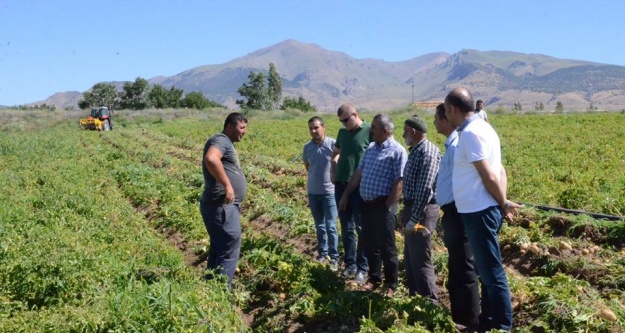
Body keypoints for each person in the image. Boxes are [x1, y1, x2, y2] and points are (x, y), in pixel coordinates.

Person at [444, 88, 522, 331]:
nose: (446, 116)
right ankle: (487, 323)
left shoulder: (470, 133)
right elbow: (501, 170)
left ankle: (501, 326)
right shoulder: (485, 128)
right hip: (480, 209)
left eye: (446, 111)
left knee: (492, 274)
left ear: (454, 109)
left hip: (479, 211)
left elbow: (489, 174)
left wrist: (503, 202)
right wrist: (503, 200)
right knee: (486, 272)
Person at [339, 114, 407, 298]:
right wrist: (346, 194)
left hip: (382, 205)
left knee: (387, 246)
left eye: (374, 128)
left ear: (385, 131)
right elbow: (359, 173)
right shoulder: (371, 148)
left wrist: (386, 207)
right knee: (369, 243)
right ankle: (374, 278)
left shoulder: (397, 151)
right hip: (366, 204)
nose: (371, 131)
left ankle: (391, 283)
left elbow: (399, 182)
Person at [433, 103, 480, 329]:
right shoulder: (451, 144)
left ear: (446, 120)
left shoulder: (456, 144)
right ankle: (459, 316)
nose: (434, 122)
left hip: (458, 211)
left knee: (464, 267)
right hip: (452, 211)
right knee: (457, 266)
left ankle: (469, 320)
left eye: (436, 118)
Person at [199, 112, 248, 289]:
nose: (244, 132)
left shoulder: (225, 142)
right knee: (229, 247)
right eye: (241, 127)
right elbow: (211, 158)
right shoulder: (221, 140)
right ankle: (220, 292)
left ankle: (210, 288)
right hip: (222, 206)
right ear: (229, 127)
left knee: (219, 247)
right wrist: (227, 185)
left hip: (222, 207)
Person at [400, 115, 441, 302]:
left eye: (405, 131)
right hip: (413, 208)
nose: (402, 135)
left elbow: (425, 189)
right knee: (410, 258)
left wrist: (414, 218)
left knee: (420, 259)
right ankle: (415, 298)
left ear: (414, 132)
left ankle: (429, 303)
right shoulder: (416, 150)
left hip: (422, 212)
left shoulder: (428, 152)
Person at [331, 103, 372, 284]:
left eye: (346, 120)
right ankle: (350, 265)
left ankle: (363, 268)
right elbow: (336, 153)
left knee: (360, 227)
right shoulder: (342, 133)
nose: (344, 124)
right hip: (340, 184)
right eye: (341, 121)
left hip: (359, 186)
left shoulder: (370, 130)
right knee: (346, 227)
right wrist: (333, 169)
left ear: (355, 115)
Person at [303, 116, 339, 271]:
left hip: (330, 192)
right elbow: (307, 166)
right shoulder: (307, 147)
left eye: (316, 127)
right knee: (319, 225)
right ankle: (323, 254)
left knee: (331, 226)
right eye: (311, 128)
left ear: (324, 127)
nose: (313, 131)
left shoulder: (333, 144)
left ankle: (335, 257)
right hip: (313, 192)